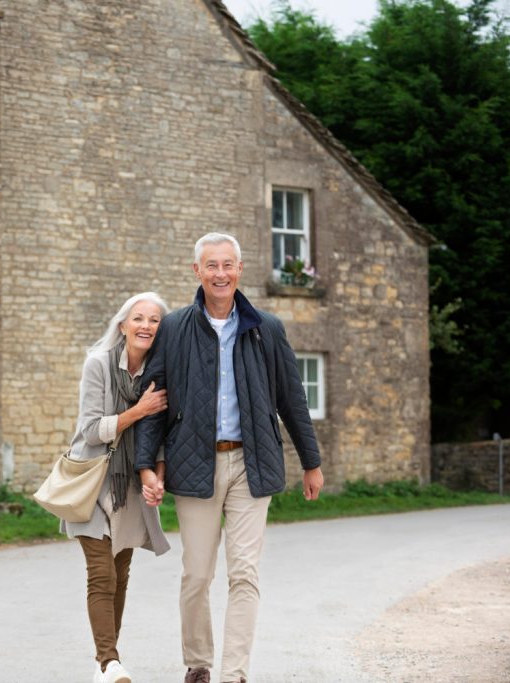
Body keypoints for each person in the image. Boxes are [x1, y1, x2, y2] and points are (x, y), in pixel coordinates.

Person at [134, 233, 324, 683]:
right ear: (196, 271)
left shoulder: (267, 329)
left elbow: (291, 400)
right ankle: (198, 663)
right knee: (197, 575)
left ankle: (235, 673)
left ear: (240, 269)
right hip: (193, 464)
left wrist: (311, 461)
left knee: (244, 574)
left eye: (228, 265)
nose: (220, 273)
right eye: (211, 265)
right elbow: (154, 400)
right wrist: (146, 464)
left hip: (252, 465)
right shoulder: (175, 328)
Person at [63, 292, 173, 683]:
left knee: (120, 574)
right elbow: (91, 430)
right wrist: (139, 410)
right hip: (92, 481)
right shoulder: (98, 365)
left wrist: (156, 473)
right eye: (138, 318)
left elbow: (159, 434)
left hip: (129, 484)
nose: (145, 325)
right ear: (123, 325)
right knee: (101, 575)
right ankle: (110, 661)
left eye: (154, 320)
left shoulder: (160, 374)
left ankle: (104, 663)